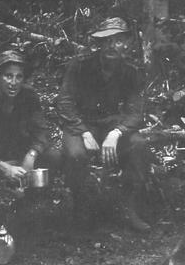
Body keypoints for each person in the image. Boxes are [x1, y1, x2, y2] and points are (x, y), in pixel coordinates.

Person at [56, 16, 155, 232]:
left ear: (127, 44)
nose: (111, 46)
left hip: (111, 127)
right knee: (75, 155)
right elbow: (64, 102)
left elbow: (136, 111)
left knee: (139, 145)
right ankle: (80, 207)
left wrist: (117, 133)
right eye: (107, 41)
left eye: (118, 40)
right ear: (99, 43)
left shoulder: (131, 72)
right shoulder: (80, 66)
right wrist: (82, 131)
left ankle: (129, 207)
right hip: (81, 125)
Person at [0, 50, 56, 184]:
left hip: (19, 151)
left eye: (19, 77)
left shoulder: (29, 95)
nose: (13, 82)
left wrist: (32, 153)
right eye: (8, 76)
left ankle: (36, 195)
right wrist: (4, 167)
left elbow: (41, 131)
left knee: (54, 156)